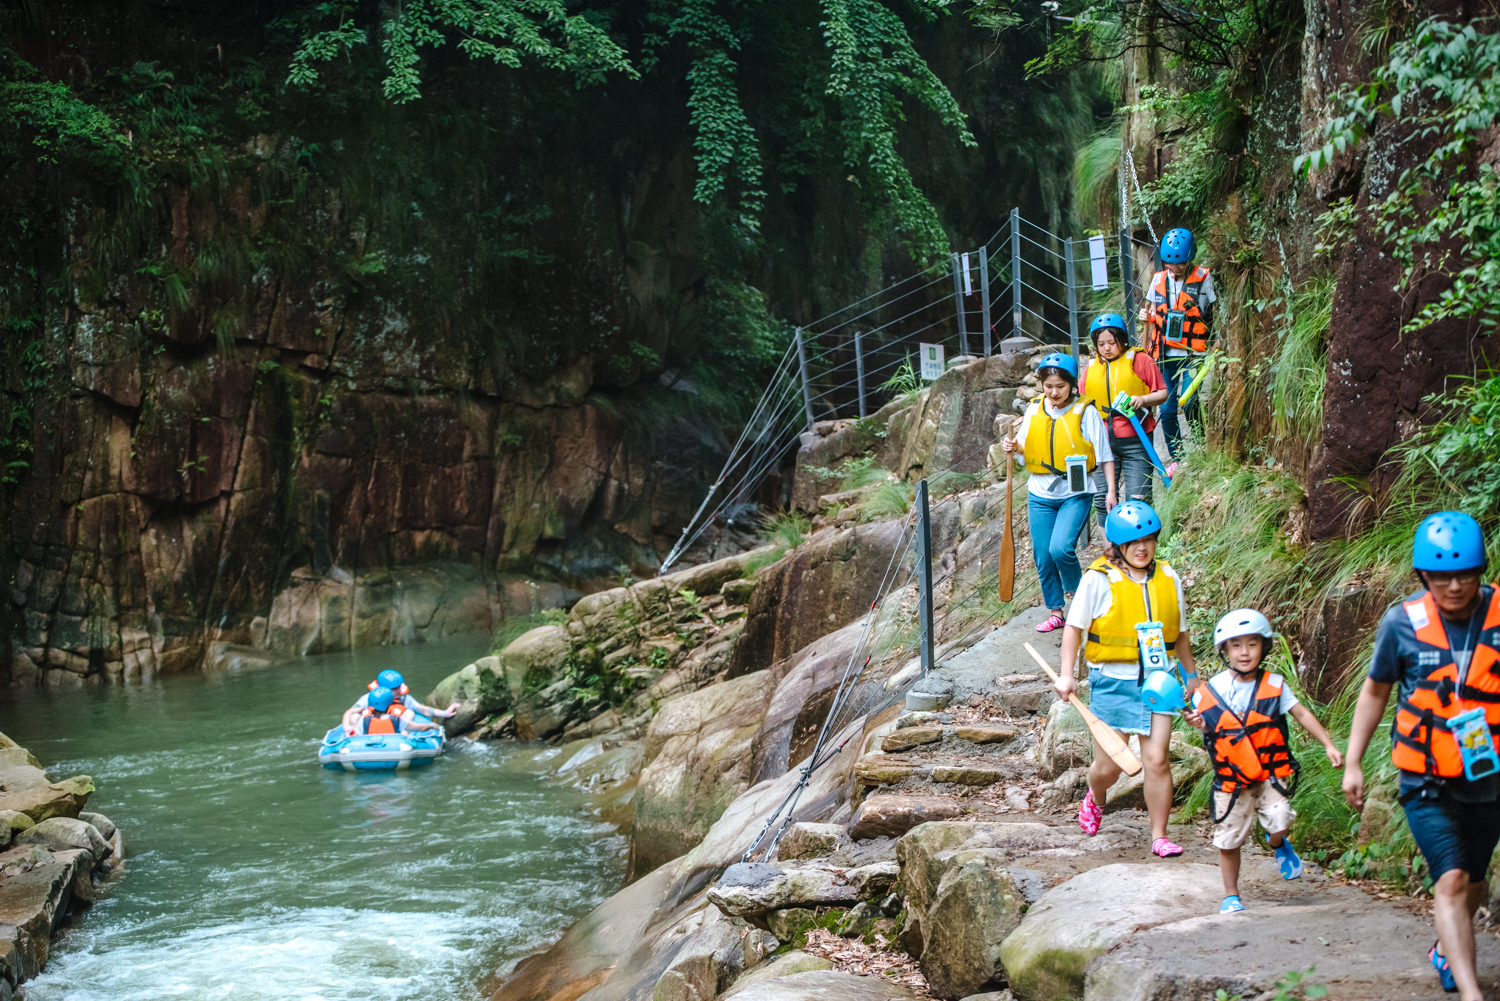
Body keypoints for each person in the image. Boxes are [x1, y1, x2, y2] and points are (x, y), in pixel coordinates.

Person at [1343, 512, 1500, 1001]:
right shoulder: (1402, 623)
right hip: (1425, 777)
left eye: (1465, 575)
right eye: (1441, 578)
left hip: (1488, 775)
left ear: (1481, 570)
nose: (1454, 586)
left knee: (1473, 876)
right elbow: (1374, 691)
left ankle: (1445, 947)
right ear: (1423, 577)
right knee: (1450, 878)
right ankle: (1472, 993)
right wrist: (1353, 761)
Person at [1055, 499, 1199, 857]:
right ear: (1118, 545)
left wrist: (1192, 677)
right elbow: (1074, 629)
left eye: (1148, 540)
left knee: (1157, 761)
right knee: (1107, 769)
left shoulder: (1168, 577)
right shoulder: (1097, 579)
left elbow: (1179, 634)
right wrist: (1066, 675)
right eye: (1134, 543)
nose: (1142, 548)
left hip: (1159, 682)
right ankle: (1096, 796)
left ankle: (1159, 835)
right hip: (1112, 684)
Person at [1186, 608, 1343, 914]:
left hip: (1271, 775)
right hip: (1232, 781)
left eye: (1252, 644)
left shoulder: (1275, 685)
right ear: (1225, 651)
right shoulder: (1209, 692)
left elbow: (1302, 714)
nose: (1244, 652)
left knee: (1280, 818)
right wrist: (1197, 723)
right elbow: (1209, 730)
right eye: (1236, 645)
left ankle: (1277, 843)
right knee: (1229, 841)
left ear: (1264, 646)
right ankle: (1231, 894)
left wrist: (1328, 744)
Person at [1003, 352, 1116, 633]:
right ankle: (1056, 611)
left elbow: (1105, 456)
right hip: (1040, 493)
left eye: (1060, 386)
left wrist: (1111, 490)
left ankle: (1081, 604)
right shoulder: (1034, 409)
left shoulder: (1086, 412)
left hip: (1075, 493)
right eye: (1049, 385)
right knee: (1043, 554)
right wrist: (1012, 447)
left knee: (1060, 548)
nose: (1054, 392)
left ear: (1072, 385)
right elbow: (1025, 446)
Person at [1079, 313, 1168, 526]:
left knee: (1138, 499)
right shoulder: (1091, 368)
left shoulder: (1141, 360)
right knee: (1102, 500)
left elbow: (1162, 393)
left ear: (1122, 339)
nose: (1106, 348)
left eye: (1112, 342)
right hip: (1102, 443)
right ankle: (1112, 550)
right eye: (1101, 344)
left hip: (1136, 438)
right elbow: (1080, 402)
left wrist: (1142, 399)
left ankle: (1139, 549)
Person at [1140, 228, 1215, 459]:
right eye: (1171, 264)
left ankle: (1201, 447)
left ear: (1189, 258)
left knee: (1191, 401)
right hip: (1164, 354)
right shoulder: (1157, 279)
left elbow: (1213, 314)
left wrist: (1217, 340)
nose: (1175, 268)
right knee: (1167, 409)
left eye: (1181, 263)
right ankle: (1178, 458)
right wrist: (1147, 317)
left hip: (1193, 353)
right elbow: (1154, 313)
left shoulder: (1204, 278)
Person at [342, 669, 459, 734]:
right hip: (371, 728)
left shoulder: (404, 699)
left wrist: (444, 713)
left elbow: (423, 710)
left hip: (396, 730)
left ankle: (403, 740)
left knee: (410, 713)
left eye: (399, 687)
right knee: (354, 717)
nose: (399, 690)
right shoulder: (369, 698)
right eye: (395, 689)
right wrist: (347, 727)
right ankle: (353, 744)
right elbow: (350, 712)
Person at [358, 686, 442, 735]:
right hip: (394, 748)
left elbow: (355, 737)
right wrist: (432, 725)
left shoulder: (364, 719)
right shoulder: (397, 719)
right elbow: (421, 728)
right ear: (389, 703)